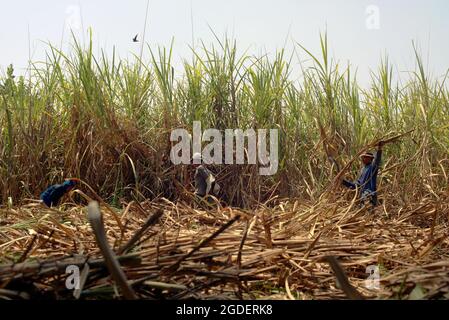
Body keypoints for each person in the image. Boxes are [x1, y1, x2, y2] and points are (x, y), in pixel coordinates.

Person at [342, 142, 383, 207]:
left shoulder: (372, 168)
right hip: (363, 196)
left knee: (369, 213)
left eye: (366, 157)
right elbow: (357, 185)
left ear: (371, 159)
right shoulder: (363, 170)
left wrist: (379, 149)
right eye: (363, 157)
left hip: (369, 195)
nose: (363, 159)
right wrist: (343, 181)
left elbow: (377, 161)